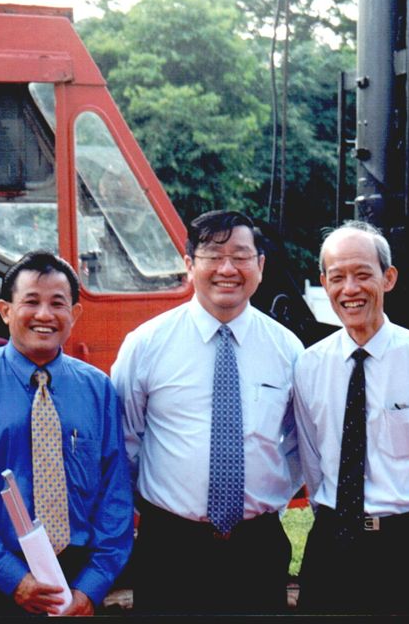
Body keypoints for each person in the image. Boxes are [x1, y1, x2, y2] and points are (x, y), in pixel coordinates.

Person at [111, 210, 304, 614]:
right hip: (170, 548)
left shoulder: (288, 350)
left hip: (258, 548)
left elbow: (300, 444)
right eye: (213, 256)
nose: (227, 269)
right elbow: (124, 440)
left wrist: (272, 496)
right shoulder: (146, 345)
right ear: (189, 265)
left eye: (240, 256)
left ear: (261, 266)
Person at [0, 251, 133, 616]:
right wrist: (14, 579)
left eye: (58, 303)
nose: (44, 315)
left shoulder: (97, 389)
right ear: (6, 311)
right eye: (31, 302)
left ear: (75, 314)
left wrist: (93, 585)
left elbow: (115, 493)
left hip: (77, 580)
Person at [293, 220, 409, 615]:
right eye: (337, 278)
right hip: (333, 545)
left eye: (363, 274)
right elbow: (311, 458)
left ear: (388, 278)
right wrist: (332, 519)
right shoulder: (309, 365)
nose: (350, 289)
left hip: (407, 546)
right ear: (324, 283)